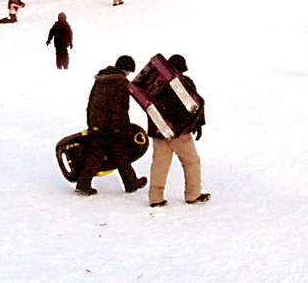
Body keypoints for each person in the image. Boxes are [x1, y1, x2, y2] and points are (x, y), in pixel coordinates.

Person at [73, 55, 147, 196]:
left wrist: (92, 124)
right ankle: (130, 183)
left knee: (98, 154)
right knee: (120, 153)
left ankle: (83, 184)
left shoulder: (101, 81)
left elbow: (91, 103)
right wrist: (123, 128)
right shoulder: (120, 84)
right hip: (111, 126)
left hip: (97, 123)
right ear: (126, 70)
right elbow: (120, 109)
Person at [148, 54, 210, 208]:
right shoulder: (185, 83)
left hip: (159, 131)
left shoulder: (154, 83)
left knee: (159, 164)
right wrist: (198, 125)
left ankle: (155, 198)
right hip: (179, 132)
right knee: (191, 162)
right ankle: (193, 194)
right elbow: (194, 106)